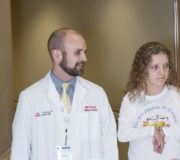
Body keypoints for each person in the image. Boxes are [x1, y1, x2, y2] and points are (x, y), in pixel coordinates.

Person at [11, 28, 118, 160]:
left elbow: (109, 145)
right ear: (57, 55)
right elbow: (20, 151)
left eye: (85, 52)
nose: (85, 58)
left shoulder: (97, 94)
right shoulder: (29, 98)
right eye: (78, 53)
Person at [117, 42, 180, 160]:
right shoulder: (131, 99)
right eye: (155, 67)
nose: (162, 72)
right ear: (142, 69)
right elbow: (123, 135)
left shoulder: (176, 95)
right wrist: (152, 130)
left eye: (166, 66)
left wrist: (163, 131)